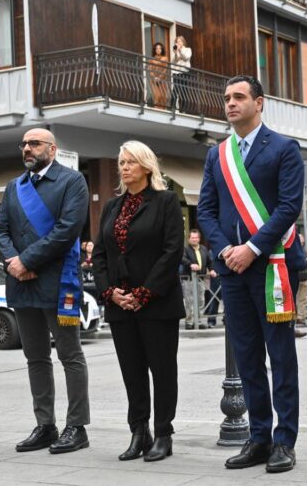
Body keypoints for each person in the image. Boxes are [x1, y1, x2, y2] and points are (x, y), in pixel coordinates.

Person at [198, 74, 304, 473]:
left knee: (280, 356)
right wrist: (226, 250)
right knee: (246, 358)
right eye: (226, 97)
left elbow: (289, 206)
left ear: (260, 103)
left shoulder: (283, 148)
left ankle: (284, 441)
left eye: (239, 96)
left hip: (272, 266)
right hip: (232, 270)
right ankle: (258, 437)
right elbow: (205, 210)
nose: (230, 103)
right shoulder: (217, 155)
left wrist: (252, 248)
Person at [0, 128, 91, 455]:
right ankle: (45, 425)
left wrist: (27, 259)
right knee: (35, 356)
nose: (27, 149)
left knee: (70, 355)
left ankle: (76, 427)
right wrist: (14, 261)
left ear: (52, 148)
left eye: (34, 143)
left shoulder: (72, 181)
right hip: (22, 284)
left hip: (56, 283)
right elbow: (0, 229)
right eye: (23, 145)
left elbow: (67, 231)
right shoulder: (13, 186)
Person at [92, 140, 185, 462]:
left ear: (146, 166)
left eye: (130, 161)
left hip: (157, 304)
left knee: (162, 371)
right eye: (121, 162)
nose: (124, 167)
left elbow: (172, 251)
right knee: (132, 372)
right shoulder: (111, 207)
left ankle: (163, 434)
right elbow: (100, 253)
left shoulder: (166, 201)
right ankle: (138, 432)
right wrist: (110, 292)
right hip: (120, 305)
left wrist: (144, 293)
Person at [181, 229, 210, 330]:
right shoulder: (185, 249)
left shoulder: (203, 249)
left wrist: (213, 270)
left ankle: (199, 321)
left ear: (199, 239)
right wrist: (190, 264)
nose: (194, 239)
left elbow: (209, 261)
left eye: (196, 237)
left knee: (201, 301)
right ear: (189, 239)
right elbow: (182, 259)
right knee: (190, 302)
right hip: (189, 279)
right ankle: (189, 322)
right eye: (192, 238)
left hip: (200, 279)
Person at [170, 36, 192, 113]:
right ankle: (172, 108)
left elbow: (186, 57)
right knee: (175, 90)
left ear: (183, 42)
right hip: (176, 72)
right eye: (177, 41)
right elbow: (173, 61)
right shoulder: (176, 50)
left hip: (184, 72)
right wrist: (176, 53)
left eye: (180, 41)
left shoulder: (188, 49)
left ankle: (183, 109)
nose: (179, 43)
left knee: (183, 90)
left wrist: (180, 51)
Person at [148, 42, 169, 108]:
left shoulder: (165, 58)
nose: (158, 50)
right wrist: (154, 77)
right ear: (154, 50)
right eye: (156, 48)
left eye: (160, 48)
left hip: (162, 80)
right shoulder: (151, 60)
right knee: (156, 95)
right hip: (154, 81)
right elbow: (150, 70)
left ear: (162, 49)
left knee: (162, 96)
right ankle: (156, 109)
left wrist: (160, 77)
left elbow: (165, 69)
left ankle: (162, 110)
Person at [204, 248, 221, 328]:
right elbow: (211, 264)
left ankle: (226, 320)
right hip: (216, 278)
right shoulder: (211, 251)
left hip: (227, 277)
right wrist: (212, 270)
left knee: (228, 300)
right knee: (214, 299)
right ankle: (211, 320)